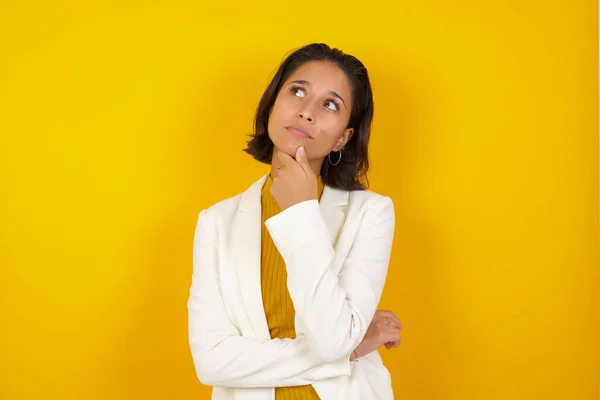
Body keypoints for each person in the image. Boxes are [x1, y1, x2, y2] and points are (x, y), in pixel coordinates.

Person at [187, 43, 402, 400]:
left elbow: (331, 339)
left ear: (343, 138)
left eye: (330, 104)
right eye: (297, 91)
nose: (306, 112)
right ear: (272, 105)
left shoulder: (371, 213)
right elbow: (210, 361)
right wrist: (350, 350)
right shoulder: (216, 222)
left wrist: (300, 213)